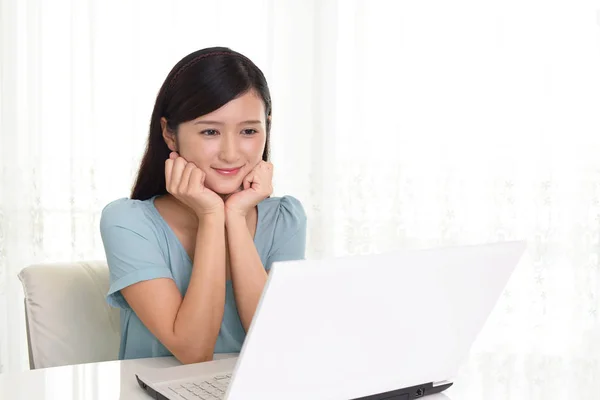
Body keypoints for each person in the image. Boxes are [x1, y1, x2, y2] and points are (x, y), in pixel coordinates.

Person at [99, 47, 307, 364]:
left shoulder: (285, 218)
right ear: (170, 133)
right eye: (210, 131)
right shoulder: (128, 222)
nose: (231, 153)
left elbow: (276, 345)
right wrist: (211, 215)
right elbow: (194, 351)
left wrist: (235, 217)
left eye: (249, 131)